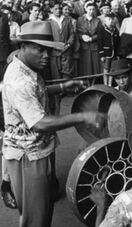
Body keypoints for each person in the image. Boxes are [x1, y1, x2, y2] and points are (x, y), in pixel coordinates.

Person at [2, 21, 106, 227]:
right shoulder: (19, 81)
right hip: (28, 156)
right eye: (40, 50)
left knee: (37, 211)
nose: (46, 56)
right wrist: (84, 116)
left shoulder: (24, 66)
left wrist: (62, 87)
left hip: (35, 150)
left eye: (48, 50)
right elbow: (40, 122)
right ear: (23, 47)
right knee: (36, 219)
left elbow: (36, 92)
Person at [77, 1, 102, 79]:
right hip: (84, 47)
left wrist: (92, 38)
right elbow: (77, 32)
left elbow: (100, 34)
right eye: (89, 9)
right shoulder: (80, 19)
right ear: (86, 9)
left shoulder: (97, 20)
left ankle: (94, 83)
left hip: (94, 47)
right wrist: (82, 37)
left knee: (95, 67)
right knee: (85, 67)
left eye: (93, 9)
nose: (91, 11)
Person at [98, 12, 119, 86]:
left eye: (112, 19)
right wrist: (102, 55)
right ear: (105, 20)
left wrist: (117, 53)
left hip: (114, 53)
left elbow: (117, 42)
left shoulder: (115, 29)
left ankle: (110, 84)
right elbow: (100, 42)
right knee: (106, 69)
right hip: (106, 53)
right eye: (109, 19)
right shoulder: (102, 29)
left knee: (112, 69)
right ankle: (105, 84)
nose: (110, 21)